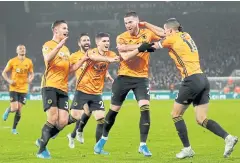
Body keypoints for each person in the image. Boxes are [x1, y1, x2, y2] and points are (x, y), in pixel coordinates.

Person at [143, 18, 238, 159]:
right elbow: (164, 32)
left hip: (191, 80)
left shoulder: (171, 38)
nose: (164, 33)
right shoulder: (185, 35)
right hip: (203, 79)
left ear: (170, 31)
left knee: (176, 114)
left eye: (166, 31)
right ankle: (228, 137)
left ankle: (187, 149)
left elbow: (152, 47)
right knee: (201, 119)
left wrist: (136, 47)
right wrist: (145, 24)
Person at [94, 11, 160, 157]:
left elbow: (164, 34)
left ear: (137, 21)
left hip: (141, 78)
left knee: (145, 108)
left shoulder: (147, 33)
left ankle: (143, 145)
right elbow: (123, 55)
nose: (128, 25)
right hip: (123, 77)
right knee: (113, 111)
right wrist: (140, 47)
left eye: (130, 22)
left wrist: (147, 24)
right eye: (125, 23)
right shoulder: (121, 37)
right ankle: (103, 140)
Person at [35, 20, 89, 159]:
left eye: (67, 28)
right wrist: (58, 46)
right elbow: (47, 58)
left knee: (63, 121)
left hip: (63, 88)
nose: (67, 30)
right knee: (53, 118)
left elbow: (69, 70)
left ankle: (42, 139)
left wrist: (83, 60)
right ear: (56, 30)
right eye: (64, 28)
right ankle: (41, 150)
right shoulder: (48, 45)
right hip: (50, 86)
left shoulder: (66, 50)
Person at [68, 32, 119, 152]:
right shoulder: (81, 55)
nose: (86, 42)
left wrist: (108, 75)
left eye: (88, 40)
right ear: (79, 43)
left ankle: (94, 145)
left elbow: (101, 65)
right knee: (77, 116)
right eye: (84, 40)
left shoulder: (101, 53)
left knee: (98, 117)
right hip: (82, 89)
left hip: (96, 91)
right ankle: (59, 128)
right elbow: (70, 68)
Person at [2, 44, 34, 134]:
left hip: (24, 89)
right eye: (20, 49)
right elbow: (4, 73)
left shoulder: (29, 62)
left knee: (19, 109)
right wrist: (9, 80)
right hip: (14, 88)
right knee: (14, 108)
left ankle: (14, 129)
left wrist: (30, 79)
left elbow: (32, 73)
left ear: (25, 50)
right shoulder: (12, 61)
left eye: (23, 48)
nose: (22, 50)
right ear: (17, 51)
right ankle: (8, 110)